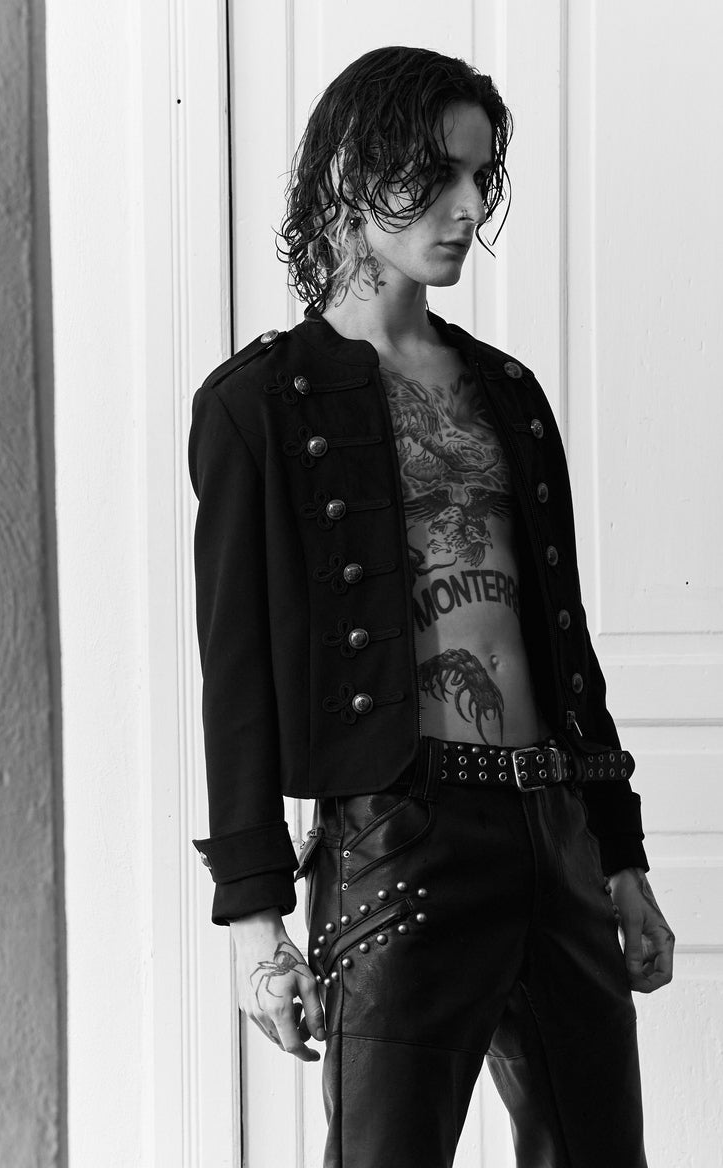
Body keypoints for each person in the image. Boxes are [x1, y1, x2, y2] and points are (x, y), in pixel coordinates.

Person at [185, 46, 677, 1167]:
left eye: (478, 177)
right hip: (399, 841)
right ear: (353, 175)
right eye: (437, 177)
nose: (467, 209)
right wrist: (257, 923)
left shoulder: (507, 391)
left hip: (554, 826)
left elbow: (561, 644)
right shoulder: (261, 406)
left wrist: (621, 853)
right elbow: (237, 674)